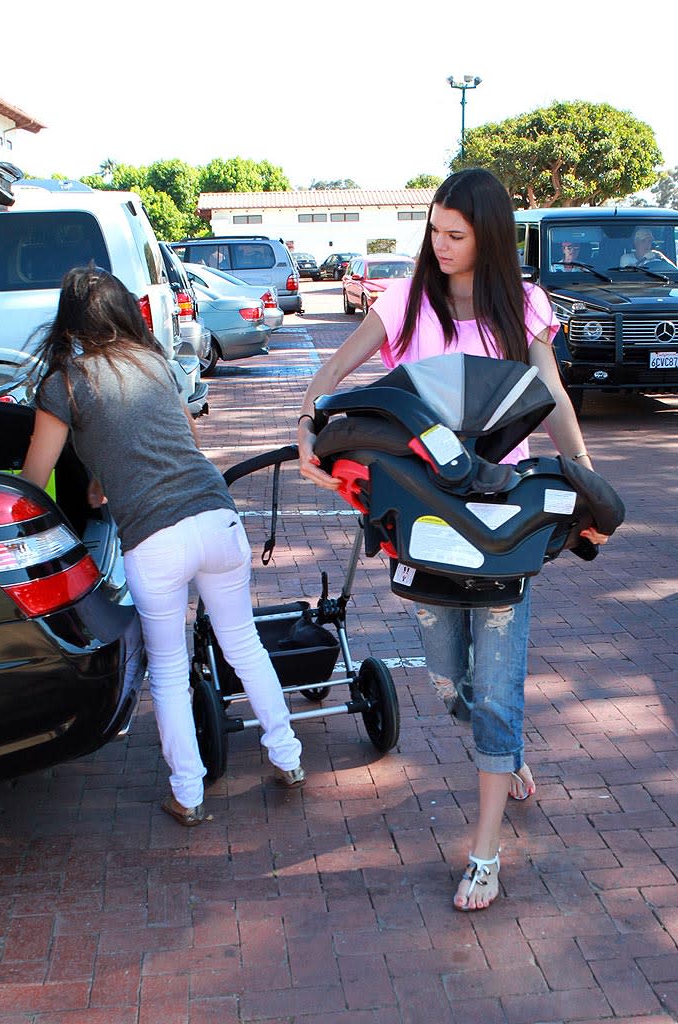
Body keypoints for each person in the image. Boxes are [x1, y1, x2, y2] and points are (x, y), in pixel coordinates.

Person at [297, 168, 609, 911]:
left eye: (455, 235)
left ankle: (486, 852)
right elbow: (334, 373)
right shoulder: (404, 299)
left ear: (488, 237)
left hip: (502, 526)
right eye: (433, 230)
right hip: (423, 524)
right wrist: (307, 428)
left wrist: (591, 484)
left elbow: (554, 395)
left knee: (497, 692)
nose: (438, 245)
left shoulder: (522, 307)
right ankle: (507, 752)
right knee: (449, 685)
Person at [22, 266, 305, 828]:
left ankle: (189, 795)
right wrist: (110, 476)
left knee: (170, 672)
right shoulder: (153, 362)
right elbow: (183, 444)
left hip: (154, 540)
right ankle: (288, 758)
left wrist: (96, 486)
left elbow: (32, 478)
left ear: (72, 320)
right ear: (123, 310)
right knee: (244, 645)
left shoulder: (67, 383)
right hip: (218, 519)